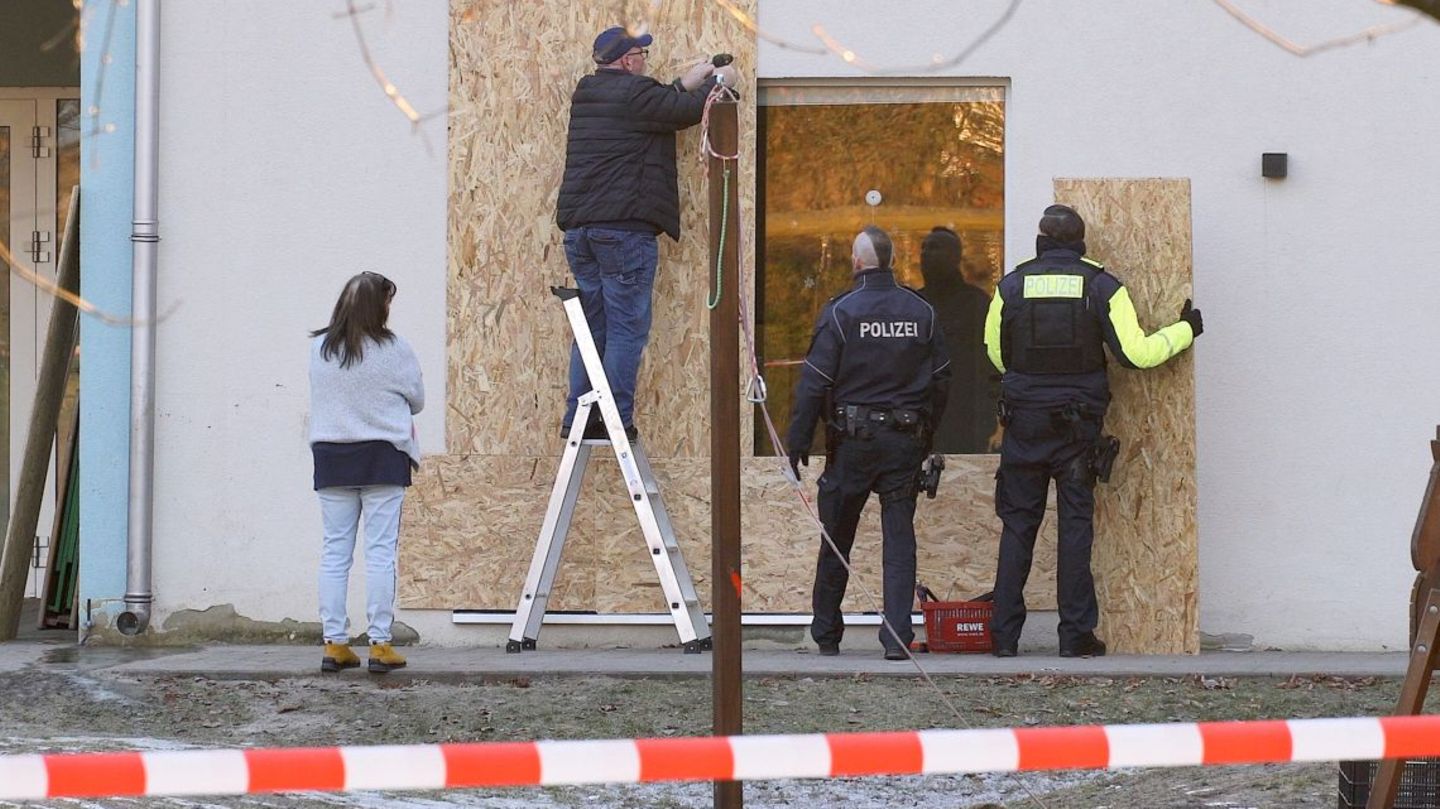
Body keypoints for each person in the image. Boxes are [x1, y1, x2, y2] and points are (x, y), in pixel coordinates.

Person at [983, 204, 1204, 658]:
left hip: (1024, 424)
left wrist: (1031, 385)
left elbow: (995, 355)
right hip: (1076, 428)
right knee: (1075, 528)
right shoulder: (1102, 285)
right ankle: (1074, 636)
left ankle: (1003, 637)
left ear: (1041, 239)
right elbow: (1136, 354)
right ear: (1080, 241)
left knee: (1018, 526)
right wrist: (1185, 330)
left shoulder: (1011, 286)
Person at [556, 26, 741, 440]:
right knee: (626, 329)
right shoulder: (635, 94)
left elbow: (657, 104)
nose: (644, 60)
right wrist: (719, 83)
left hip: (582, 234)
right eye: (641, 54)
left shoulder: (588, 91)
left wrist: (685, 82)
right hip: (623, 233)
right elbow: (681, 111)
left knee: (593, 328)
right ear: (628, 61)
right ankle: (615, 418)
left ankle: (578, 416)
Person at [787, 227, 952, 660]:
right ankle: (897, 637)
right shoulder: (920, 310)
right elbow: (942, 381)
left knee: (837, 538)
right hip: (904, 440)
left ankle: (827, 633)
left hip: (853, 443)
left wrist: (798, 441)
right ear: (892, 261)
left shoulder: (841, 311)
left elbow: (814, 384)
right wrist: (926, 434)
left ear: (857, 262)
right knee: (899, 539)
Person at [308, 271, 424, 674]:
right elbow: (417, 400)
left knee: (334, 552)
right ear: (380, 306)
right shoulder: (395, 348)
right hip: (382, 456)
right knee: (379, 553)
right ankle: (380, 644)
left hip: (331, 456)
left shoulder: (320, 348)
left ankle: (334, 643)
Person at [917, 226, 998, 454]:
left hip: (967, 419)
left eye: (934, 248)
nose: (925, 254)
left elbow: (991, 363)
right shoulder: (915, 305)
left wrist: (990, 415)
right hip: (923, 416)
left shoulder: (976, 304)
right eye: (924, 248)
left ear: (954, 257)